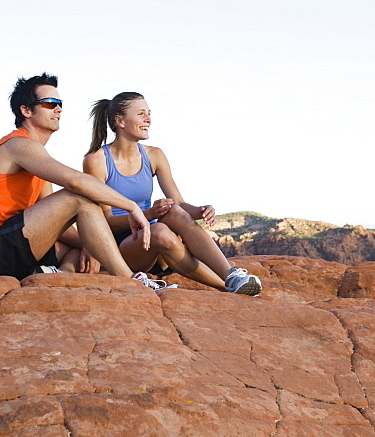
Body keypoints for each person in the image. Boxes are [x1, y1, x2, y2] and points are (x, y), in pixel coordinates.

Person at [0, 74, 171, 290]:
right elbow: (75, 182)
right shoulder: (18, 145)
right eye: (50, 104)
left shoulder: (36, 157)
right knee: (80, 197)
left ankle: (57, 276)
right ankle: (131, 281)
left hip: (7, 245)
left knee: (76, 248)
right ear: (26, 111)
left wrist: (90, 245)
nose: (58, 109)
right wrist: (132, 207)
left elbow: (54, 216)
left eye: (60, 104)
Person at [83, 92, 262, 296]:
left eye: (149, 114)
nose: (148, 119)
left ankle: (231, 275)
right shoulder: (97, 160)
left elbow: (178, 202)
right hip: (123, 247)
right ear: (120, 121)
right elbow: (102, 220)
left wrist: (200, 210)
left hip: (157, 241)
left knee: (174, 211)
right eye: (141, 114)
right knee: (159, 230)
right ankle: (225, 288)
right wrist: (148, 215)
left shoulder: (154, 155)